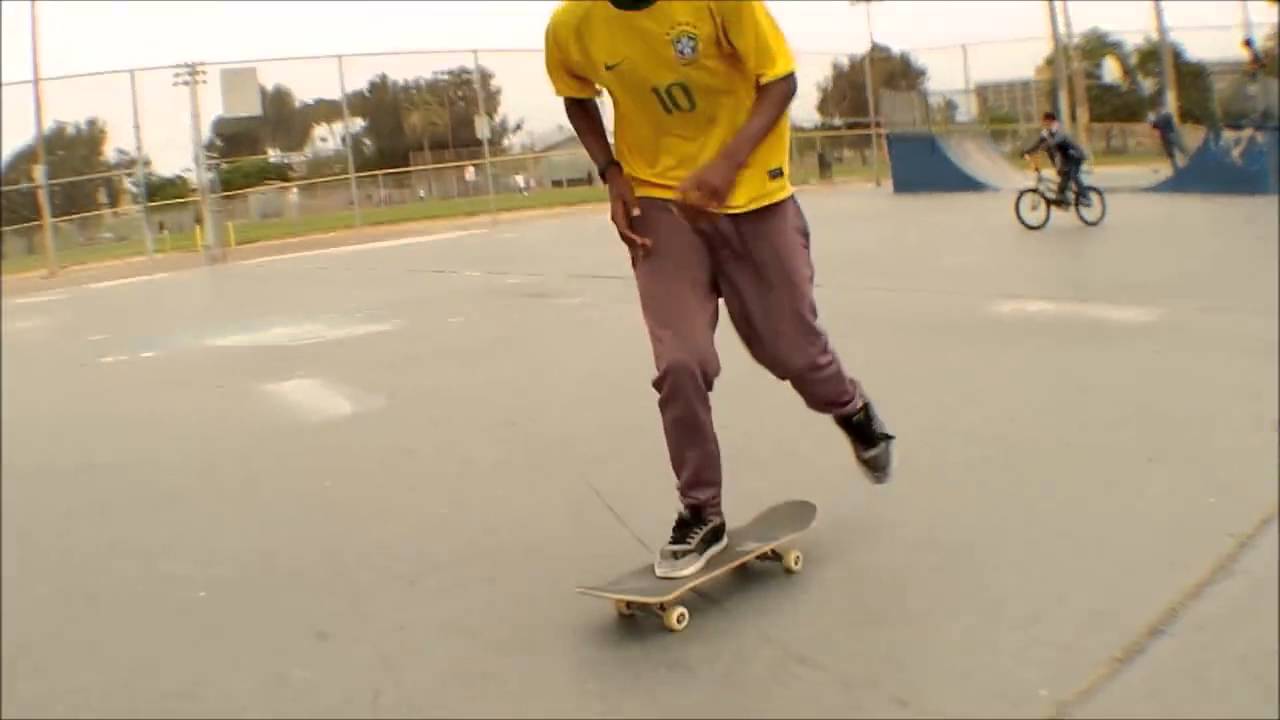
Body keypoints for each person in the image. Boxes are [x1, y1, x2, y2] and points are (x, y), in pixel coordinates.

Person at [544, 0, 895, 579]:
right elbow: (575, 92)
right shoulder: (573, 24)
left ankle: (852, 410)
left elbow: (778, 81)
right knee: (680, 360)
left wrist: (727, 165)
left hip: (756, 194)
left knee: (790, 350)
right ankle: (700, 511)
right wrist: (610, 171)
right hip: (660, 200)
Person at [1022, 111, 1088, 207]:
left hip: (1075, 155)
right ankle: (1063, 200)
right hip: (1064, 158)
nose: (1044, 124)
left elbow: (1056, 141)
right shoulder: (1046, 132)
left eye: (1046, 122)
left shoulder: (1060, 129)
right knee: (1062, 176)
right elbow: (1037, 144)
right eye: (1044, 122)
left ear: (1051, 121)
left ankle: (1085, 197)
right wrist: (1027, 151)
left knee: (1072, 175)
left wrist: (1045, 146)